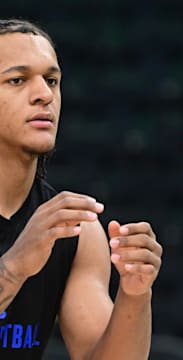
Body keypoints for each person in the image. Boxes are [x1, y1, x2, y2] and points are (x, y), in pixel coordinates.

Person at [0, 18, 163, 359]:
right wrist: (14, 267)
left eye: (52, 80)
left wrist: (134, 296)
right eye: (17, 80)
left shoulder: (74, 230)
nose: (45, 95)